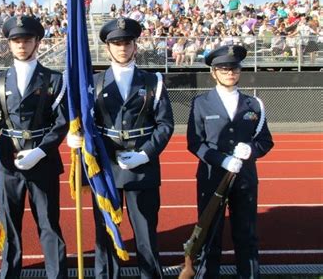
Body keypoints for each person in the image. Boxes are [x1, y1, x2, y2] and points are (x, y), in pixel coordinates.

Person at [68, 17, 175, 279]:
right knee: (105, 234)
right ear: (107, 48)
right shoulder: (94, 83)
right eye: (116, 43)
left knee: (146, 235)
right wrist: (76, 135)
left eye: (127, 42)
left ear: (135, 46)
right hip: (106, 167)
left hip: (142, 167)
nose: (122, 48)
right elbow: (85, 121)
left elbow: (165, 125)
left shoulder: (153, 82)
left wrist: (144, 154)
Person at [0, 16, 68, 279]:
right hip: (7, 161)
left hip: (43, 160)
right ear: (9, 44)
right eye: (16, 40)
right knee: (10, 226)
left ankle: (56, 275)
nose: (21, 45)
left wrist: (41, 150)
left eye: (27, 39)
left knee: (48, 225)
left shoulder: (54, 79)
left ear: (37, 42)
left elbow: (62, 123)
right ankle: (9, 274)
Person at [186, 45, 274, 278]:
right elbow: (195, 143)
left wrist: (252, 150)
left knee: (246, 234)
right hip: (212, 176)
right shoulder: (200, 103)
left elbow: (266, 141)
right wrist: (221, 160)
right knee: (210, 234)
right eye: (223, 69)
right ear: (213, 72)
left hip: (244, 178)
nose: (230, 73)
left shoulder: (254, 104)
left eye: (234, 68)